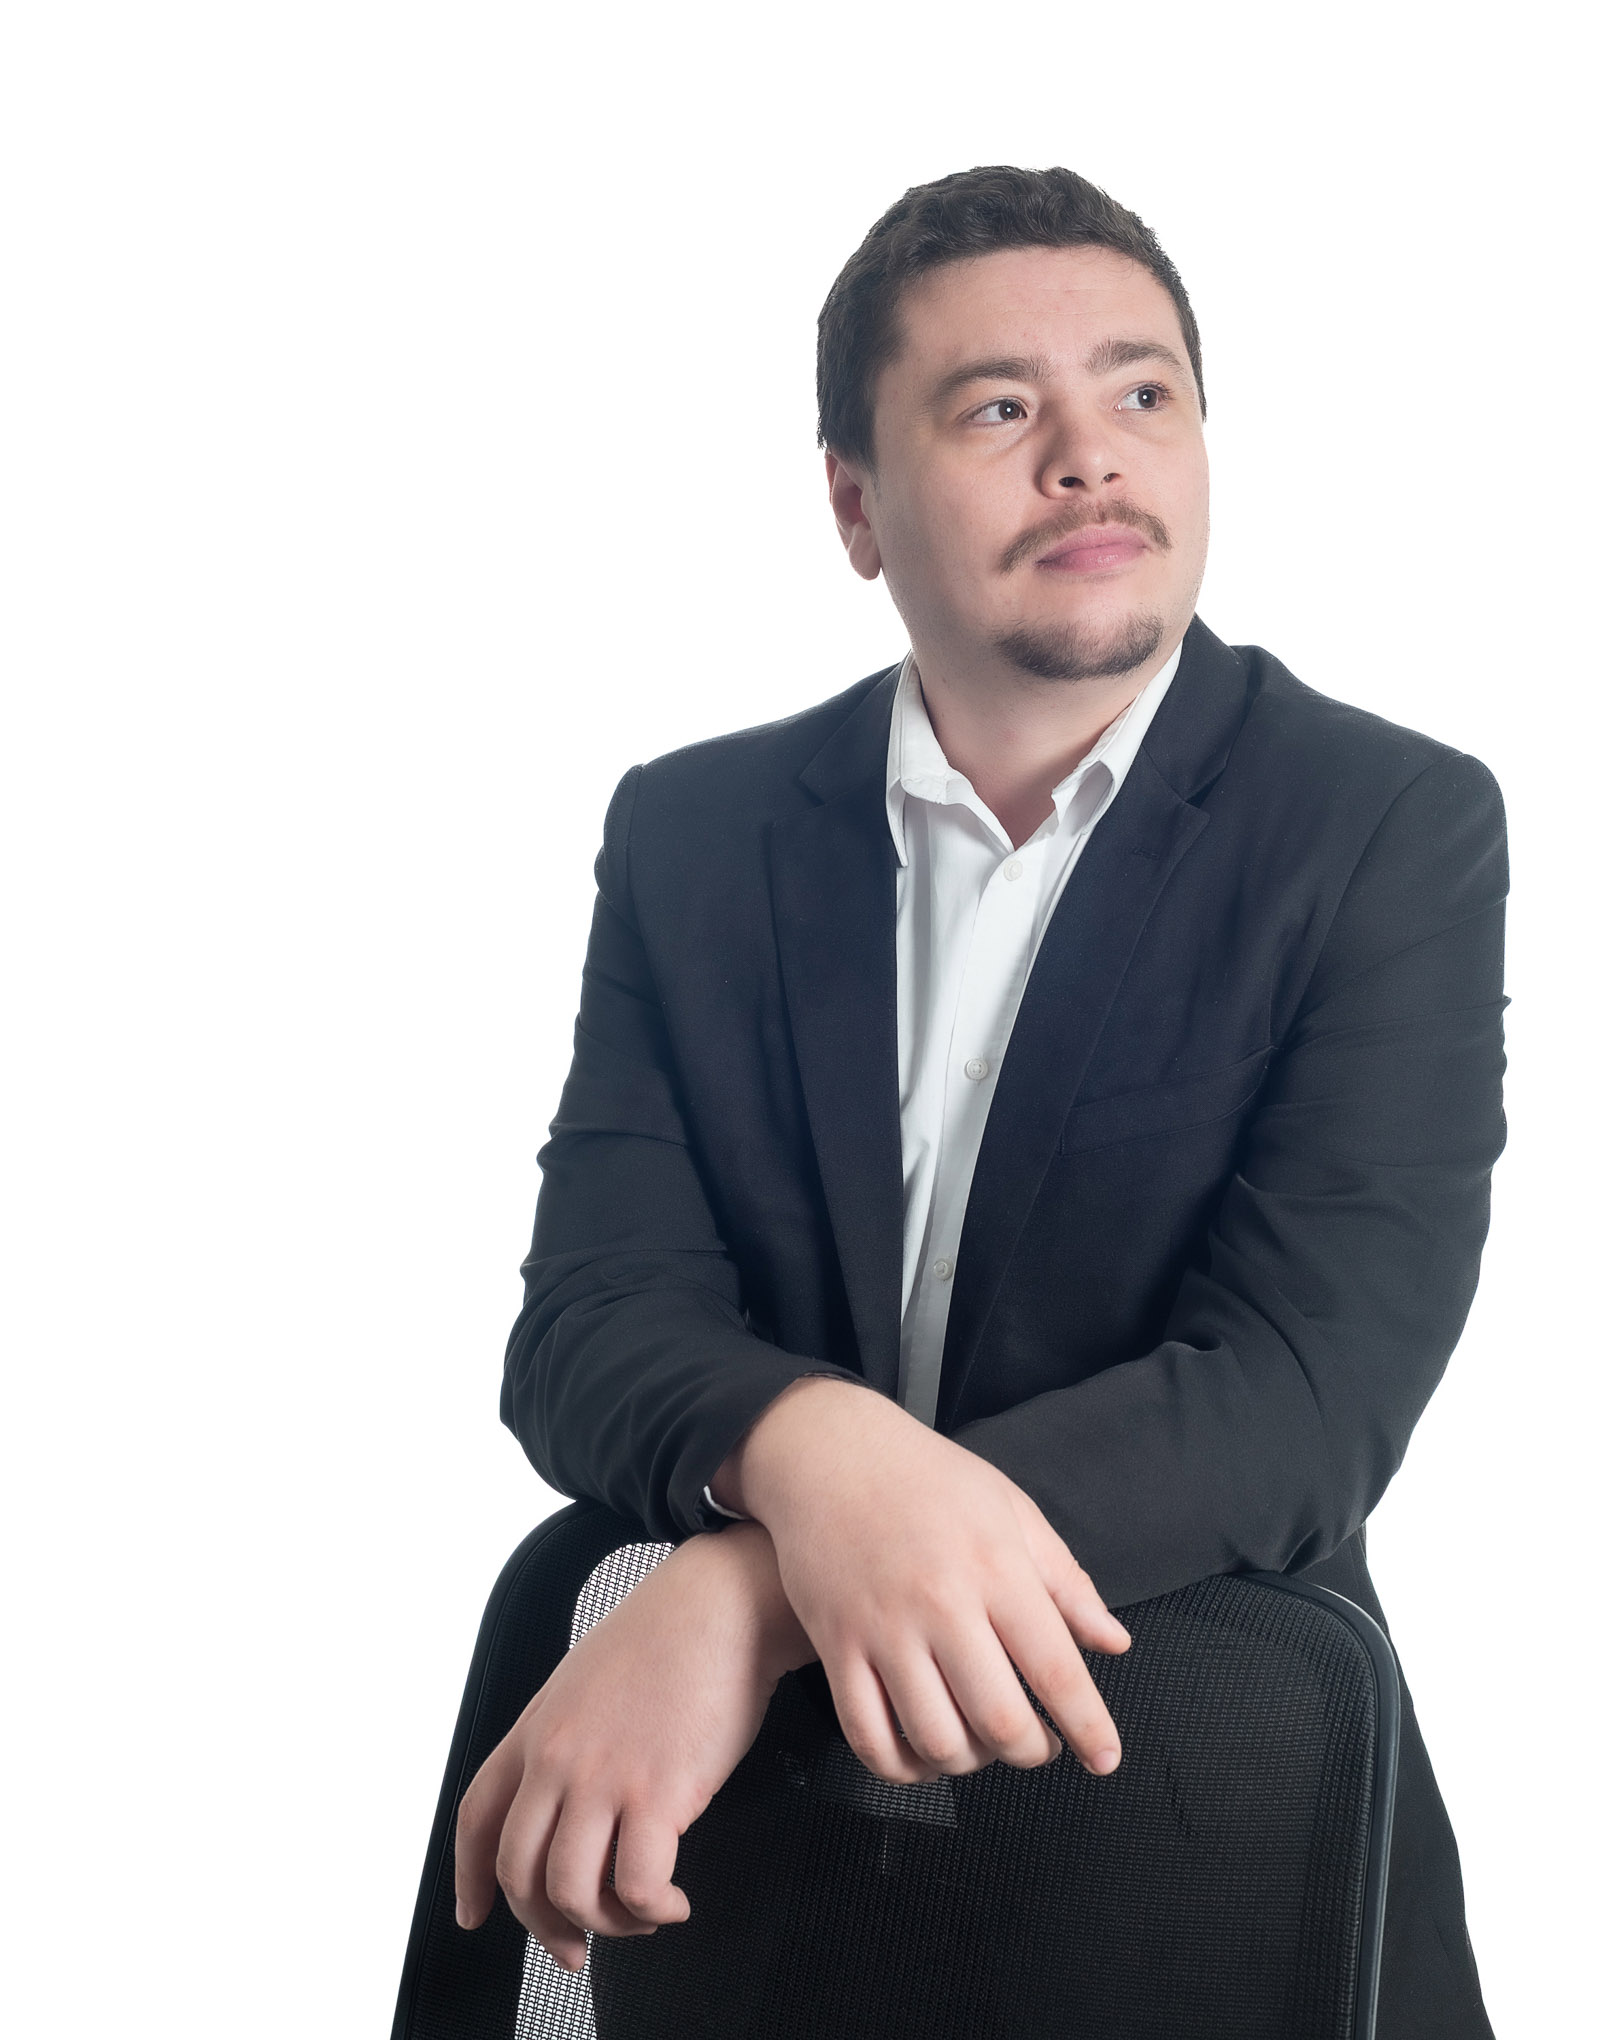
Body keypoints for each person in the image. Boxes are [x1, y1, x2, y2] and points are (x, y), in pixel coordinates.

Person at [453, 164, 1508, 2037]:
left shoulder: (1382, 826)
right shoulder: (694, 835)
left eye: (1144, 392)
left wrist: (753, 1594)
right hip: (748, 1864)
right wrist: (813, 1457)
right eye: (1000, 407)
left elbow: (1303, 1391)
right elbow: (590, 1324)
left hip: (1189, 1847)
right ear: (856, 507)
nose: (1091, 458)